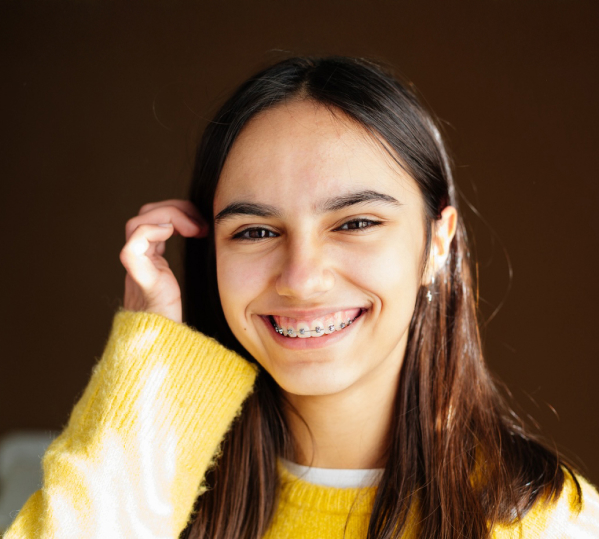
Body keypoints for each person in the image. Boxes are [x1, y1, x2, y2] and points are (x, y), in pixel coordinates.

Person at [5, 56, 599, 539]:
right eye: (256, 232)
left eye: (355, 222)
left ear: (436, 244)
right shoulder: (147, 493)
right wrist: (148, 366)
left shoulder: (549, 523)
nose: (302, 277)